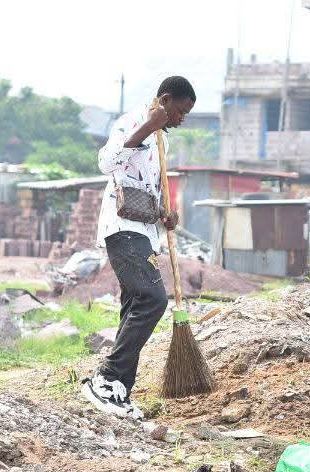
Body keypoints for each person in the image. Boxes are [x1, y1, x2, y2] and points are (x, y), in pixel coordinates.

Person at [84, 76, 196, 417]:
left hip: (145, 234)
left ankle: (118, 391)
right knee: (152, 299)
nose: (180, 119)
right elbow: (106, 163)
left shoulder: (163, 140)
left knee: (134, 304)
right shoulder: (134, 122)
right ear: (164, 100)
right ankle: (104, 377)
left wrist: (166, 213)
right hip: (121, 229)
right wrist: (147, 127)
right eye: (178, 111)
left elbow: (148, 188)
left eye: (185, 114)